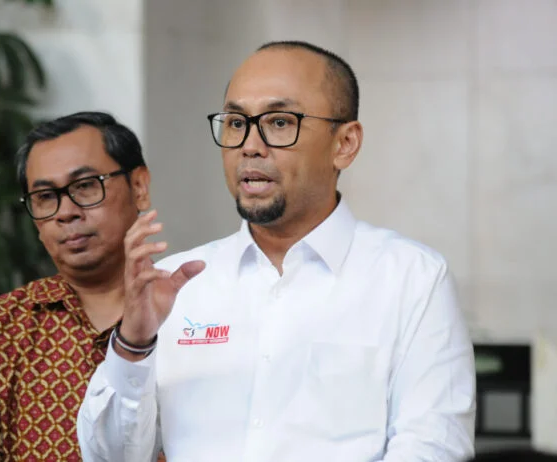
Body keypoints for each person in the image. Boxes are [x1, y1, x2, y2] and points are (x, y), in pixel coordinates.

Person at [77, 41, 476, 461]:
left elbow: (434, 446)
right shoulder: (176, 286)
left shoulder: (412, 278)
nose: (249, 145)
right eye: (236, 123)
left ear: (345, 143)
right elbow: (110, 457)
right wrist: (133, 345)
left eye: (280, 122)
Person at [0, 112, 153, 461]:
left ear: (139, 187)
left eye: (85, 185)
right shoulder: (5, 324)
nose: (65, 212)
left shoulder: (195, 312)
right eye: (45, 197)